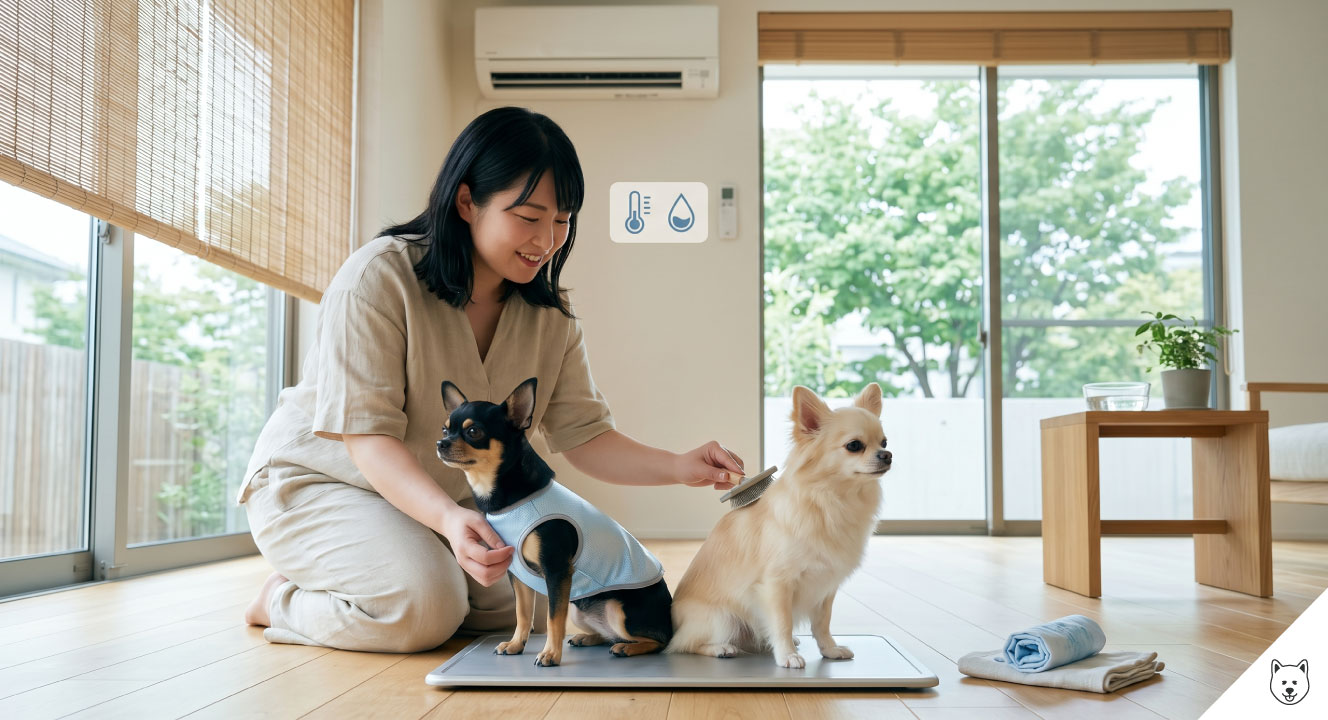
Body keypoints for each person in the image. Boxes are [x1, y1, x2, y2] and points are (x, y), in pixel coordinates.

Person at [237, 106, 745, 652]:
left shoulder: (549, 315)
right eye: (528, 216)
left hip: (439, 506)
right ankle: (279, 599)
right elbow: (368, 439)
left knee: (553, 595)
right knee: (424, 607)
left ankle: (406, 567)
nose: (547, 239)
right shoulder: (377, 279)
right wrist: (447, 519)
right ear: (466, 202)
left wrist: (679, 466)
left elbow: (585, 437)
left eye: (563, 220)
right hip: (325, 484)